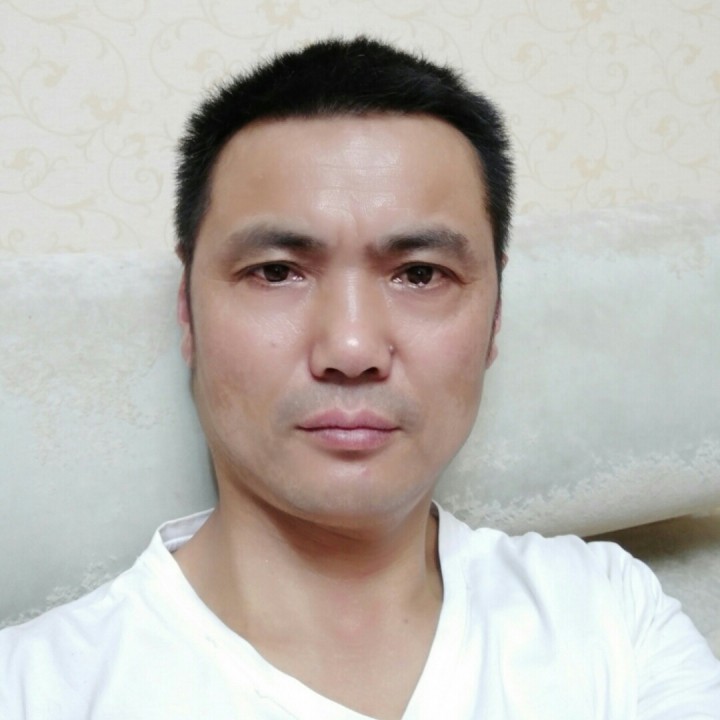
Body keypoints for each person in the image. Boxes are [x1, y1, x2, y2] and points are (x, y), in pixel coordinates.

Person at [1, 36, 718, 720]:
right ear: (187, 310)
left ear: (496, 316)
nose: (350, 347)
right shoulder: (36, 687)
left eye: (420, 274)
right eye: (276, 272)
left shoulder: (610, 619)